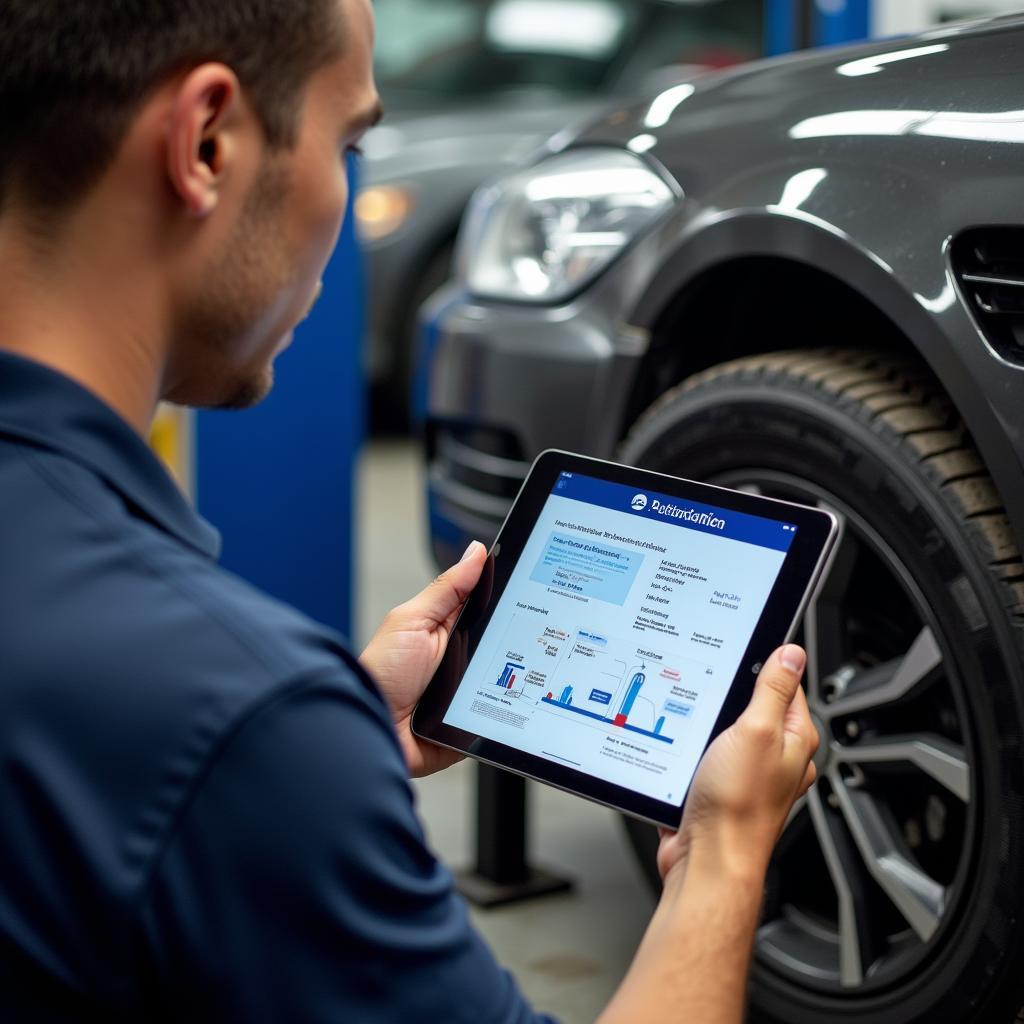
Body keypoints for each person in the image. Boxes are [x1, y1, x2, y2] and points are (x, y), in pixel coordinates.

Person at [0, 1, 819, 1020]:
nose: (347, 195)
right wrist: (724, 855)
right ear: (207, 142)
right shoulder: (226, 703)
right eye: (348, 142)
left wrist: (324, 752)